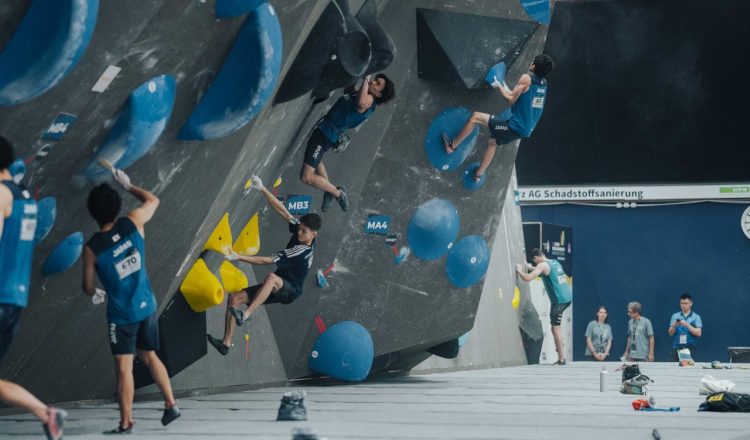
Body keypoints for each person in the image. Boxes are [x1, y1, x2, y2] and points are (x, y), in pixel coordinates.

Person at [82, 169, 181, 434]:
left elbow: (88, 287)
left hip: (122, 316)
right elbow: (153, 200)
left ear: (93, 212)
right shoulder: (133, 222)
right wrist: (127, 186)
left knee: (124, 369)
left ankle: (126, 422)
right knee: (150, 355)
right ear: (116, 208)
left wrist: (96, 293)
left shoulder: (92, 248)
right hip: (146, 306)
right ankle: (171, 403)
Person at [207, 176, 321, 355]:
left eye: (303, 231)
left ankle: (245, 316)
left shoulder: (301, 251)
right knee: (234, 299)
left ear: (313, 234)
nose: (299, 232)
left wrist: (238, 256)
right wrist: (262, 188)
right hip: (277, 285)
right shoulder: (303, 233)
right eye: (299, 228)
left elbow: (268, 261)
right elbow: (283, 211)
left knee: (271, 277)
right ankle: (226, 343)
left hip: (290, 290)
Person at [0, 135, 66, 440]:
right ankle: (45, 413)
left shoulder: (1, 195)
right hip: (15, 296)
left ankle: (45, 412)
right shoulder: (26, 196)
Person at [443, 54, 555, 182]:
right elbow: (523, 97)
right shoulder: (543, 84)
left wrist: (500, 86)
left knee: (475, 117)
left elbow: (511, 100)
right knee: (493, 142)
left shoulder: (526, 78)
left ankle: (451, 146)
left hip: (515, 127)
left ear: (533, 66)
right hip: (526, 129)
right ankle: (478, 175)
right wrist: (503, 87)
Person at [300, 73, 396, 212]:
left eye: (377, 84)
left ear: (379, 94)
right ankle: (329, 191)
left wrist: (366, 79)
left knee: (306, 176)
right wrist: (360, 72)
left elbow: (361, 103)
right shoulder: (363, 94)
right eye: (375, 79)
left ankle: (338, 193)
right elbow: (348, 91)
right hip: (325, 130)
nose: (373, 82)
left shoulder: (369, 100)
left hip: (325, 134)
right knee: (315, 159)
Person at [516, 248, 572, 365]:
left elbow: (527, 278)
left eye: (535, 262)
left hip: (558, 301)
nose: (537, 264)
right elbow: (542, 270)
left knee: (555, 328)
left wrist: (520, 270)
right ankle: (561, 354)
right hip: (566, 299)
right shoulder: (554, 262)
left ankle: (562, 359)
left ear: (536, 258)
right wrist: (530, 267)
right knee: (554, 328)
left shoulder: (542, 265)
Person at [668, 292, 702, 361]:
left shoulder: (696, 317)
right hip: (677, 346)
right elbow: (670, 334)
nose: (683, 305)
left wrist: (687, 324)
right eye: (682, 303)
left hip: (690, 347)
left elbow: (699, 333)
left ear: (691, 303)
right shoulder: (675, 316)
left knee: (688, 368)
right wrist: (674, 326)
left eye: (686, 303)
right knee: (672, 368)